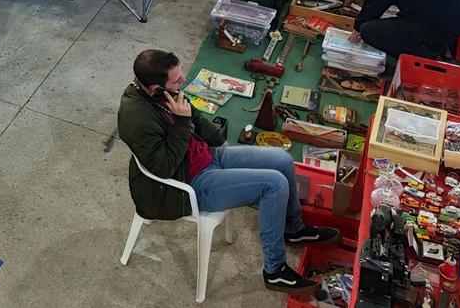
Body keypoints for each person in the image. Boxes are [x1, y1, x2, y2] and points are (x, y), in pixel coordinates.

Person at [119, 49, 337, 292]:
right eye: (177, 80)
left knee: (283, 160)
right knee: (274, 184)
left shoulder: (164, 92)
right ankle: (275, 271)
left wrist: (221, 144)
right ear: (155, 87)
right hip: (190, 182)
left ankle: (294, 230)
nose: (184, 81)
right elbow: (164, 167)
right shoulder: (137, 119)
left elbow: (195, 116)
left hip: (207, 156)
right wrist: (181, 122)